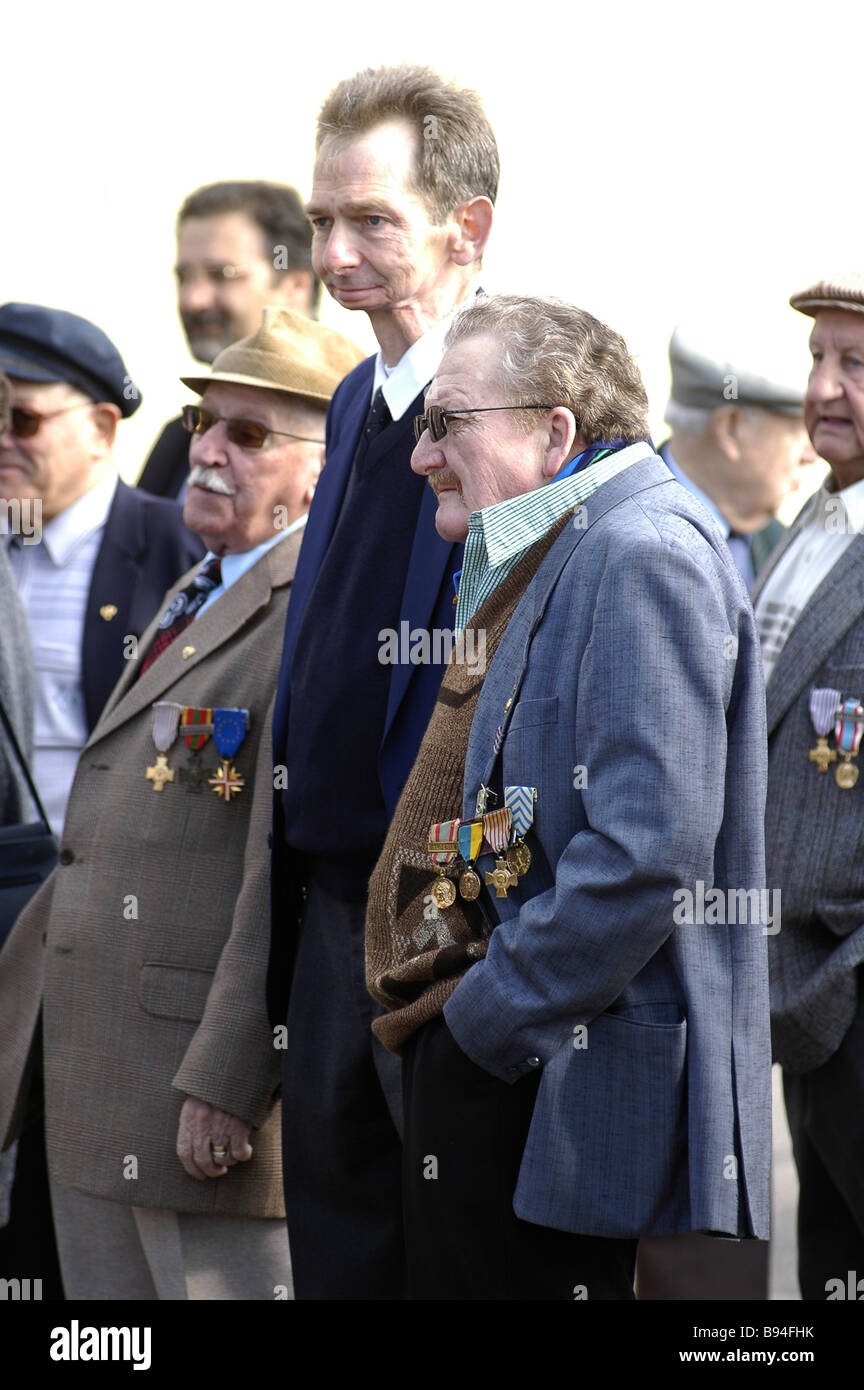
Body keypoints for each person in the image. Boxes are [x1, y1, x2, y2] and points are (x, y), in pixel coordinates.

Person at [366, 293, 773, 1301]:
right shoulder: (588, 536)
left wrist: (481, 1021)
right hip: (528, 1066)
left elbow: (648, 850)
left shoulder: (643, 550)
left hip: (556, 1084)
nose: (422, 456)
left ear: (556, 431)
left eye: (445, 422)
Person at [0, 308, 363, 1299]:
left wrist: (229, 1080)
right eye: (206, 422)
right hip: (101, 1085)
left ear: (329, 470)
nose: (205, 451)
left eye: (250, 436)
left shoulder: (310, 613)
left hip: (198, 1111)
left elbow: (278, 872)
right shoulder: (205, 580)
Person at [267, 62, 497, 1300]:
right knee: (340, 1264)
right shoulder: (357, 394)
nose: (335, 250)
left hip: (446, 933)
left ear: (468, 232)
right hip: (325, 925)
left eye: (371, 220)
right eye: (320, 221)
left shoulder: (529, 405)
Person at [753, 271, 864, 1300]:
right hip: (800, 1006)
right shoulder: (819, 520)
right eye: (817, 360)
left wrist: (843, 977)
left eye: (857, 363)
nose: (826, 388)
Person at [0, 303, 203, 837]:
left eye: (23, 419)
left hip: (94, 891)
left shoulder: (178, 546)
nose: (3, 438)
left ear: (101, 429)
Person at [138, 181, 320, 500]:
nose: (193, 300)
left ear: (295, 287)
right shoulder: (177, 442)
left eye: (221, 275)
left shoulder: (353, 431)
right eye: (184, 278)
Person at [658, 324, 815, 585]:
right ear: (731, 429)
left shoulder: (783, 549)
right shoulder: (626, 532)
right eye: (799, 431)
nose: (812, 454)